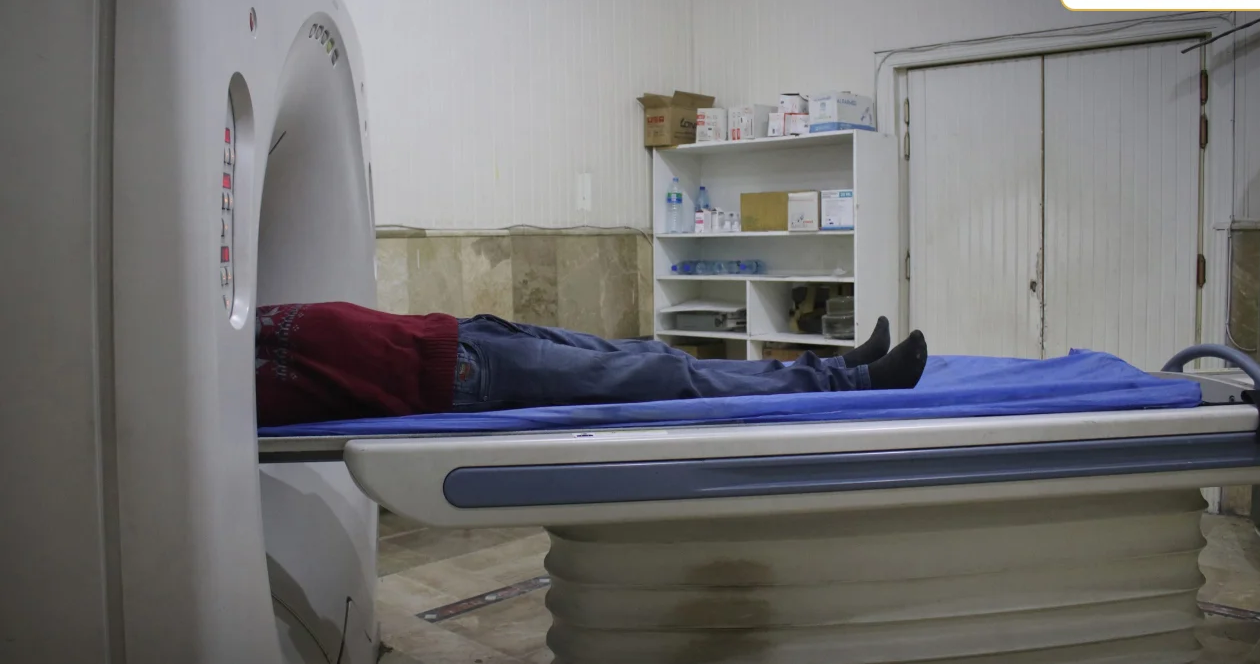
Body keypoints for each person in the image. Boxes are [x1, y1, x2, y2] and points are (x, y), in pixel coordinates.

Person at [254, 302, 928, 427]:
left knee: (654, 355)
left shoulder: (234, 316)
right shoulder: (230, 380)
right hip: (458, 378)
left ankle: (834, 366)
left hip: (463, 335)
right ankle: (857, 381)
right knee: (671, 380)